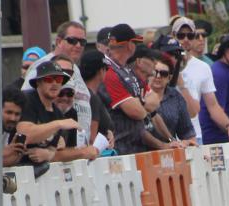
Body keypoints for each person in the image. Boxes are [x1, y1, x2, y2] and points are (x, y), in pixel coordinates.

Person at [100, 24, 171, 154]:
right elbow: (137, 112)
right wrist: (142, 104)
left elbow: (154, 101)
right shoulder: (108, 71)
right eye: (135, 43)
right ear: (129, 45)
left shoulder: (126, 70)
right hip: (118, 151)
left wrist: (139, 103)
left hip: (136, 148)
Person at [22, 21, 92, 146]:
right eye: (72, 40)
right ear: (59, 41)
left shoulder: (75, 68)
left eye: (82, 42)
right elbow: (26, 101)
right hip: (47, 143)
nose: (78, 45)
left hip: (75, 143)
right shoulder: (43, 66)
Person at [17, 61, 85, 168]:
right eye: (49, 79)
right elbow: (24, 135)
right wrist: (58, 124)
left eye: (58, 79)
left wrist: (48, 154)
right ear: (38, 82)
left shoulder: (57, 113)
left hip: (35, 172)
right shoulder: (27, 100)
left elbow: (53, 149)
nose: (54, 83)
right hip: (11, 169)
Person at [174, 17, 229, 144]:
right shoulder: (164, 64)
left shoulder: (203, 67)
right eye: (181, 35)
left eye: (190, 35)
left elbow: (213, 105)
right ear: (173, 36)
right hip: (171, 137)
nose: (186, 39)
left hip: (195, 135)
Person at [150, 55, 196, 146]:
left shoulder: (176, 97)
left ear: (169, 78)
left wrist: (186, 143)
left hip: (170, 154)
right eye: (154, 72)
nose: (158, 76)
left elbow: (188, 134)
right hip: (140, 152)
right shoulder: (139, 92)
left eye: (163, 74)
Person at [79, 50, 115, 147]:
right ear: (101, 71)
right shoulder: (92, 98)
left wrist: (108, 132)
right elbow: (92, 139)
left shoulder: (84, 94)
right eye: (106, 69)